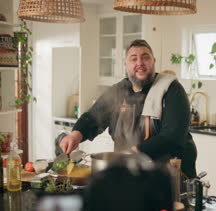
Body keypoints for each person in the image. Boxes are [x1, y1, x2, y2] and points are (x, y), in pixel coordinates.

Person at [60, 39, 197, 179]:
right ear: (125, 64)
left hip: (168, 177)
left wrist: (134, 152)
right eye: (133, 59)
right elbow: (94, 115)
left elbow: (173, 136)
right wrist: (75, 134)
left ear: (153, 61)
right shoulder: (119, 90)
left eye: (145, 57)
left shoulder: (171, 90)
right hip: (128, 175)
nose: (140, 63)